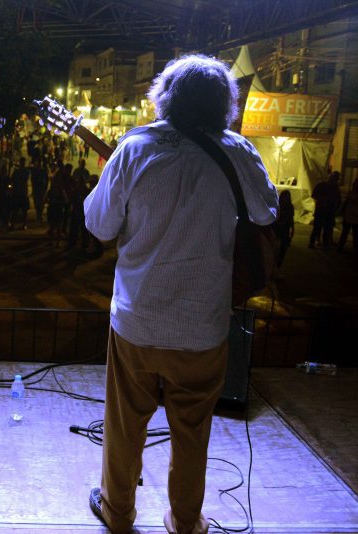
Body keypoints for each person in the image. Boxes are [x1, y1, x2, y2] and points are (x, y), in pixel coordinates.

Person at [83, 54, 278, 534]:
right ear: (223, 105)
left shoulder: (135, 148)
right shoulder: (238, 151)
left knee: (126, 426)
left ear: (164, 97)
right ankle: (186, 519)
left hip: (137, 320)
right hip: (203, 326)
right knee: (193, 430)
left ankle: (118, 512)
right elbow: (267, 212)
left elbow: (99, 224)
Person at [308, 171, 341, 249]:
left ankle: (324, 243)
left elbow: (338, 199)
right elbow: (314, 195)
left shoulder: (335, 187)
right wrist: (322, 201)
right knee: (317, 227)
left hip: (329, 211)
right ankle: (313, 242)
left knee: (326, 228)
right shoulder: (321, 185)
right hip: (321, 210)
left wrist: (336, 208)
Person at [273, 189, 295, 267]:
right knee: (274, 249)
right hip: (276, 228)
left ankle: (278, 266)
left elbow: (291, 219)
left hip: (284, 229)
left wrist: (292, 231)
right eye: (284, 197)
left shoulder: (290, 207)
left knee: (283, 249)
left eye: (287, 197)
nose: (285, 199)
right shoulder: (277, 205)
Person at [337, 179, 358, 253]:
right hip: (349, 216)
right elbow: (345, 204)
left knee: (351, 233)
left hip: (353, 217)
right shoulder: (351, 193)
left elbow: (346, 203)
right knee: (346, 232)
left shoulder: (351, 193)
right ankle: (341, 246)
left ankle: (342, 246)